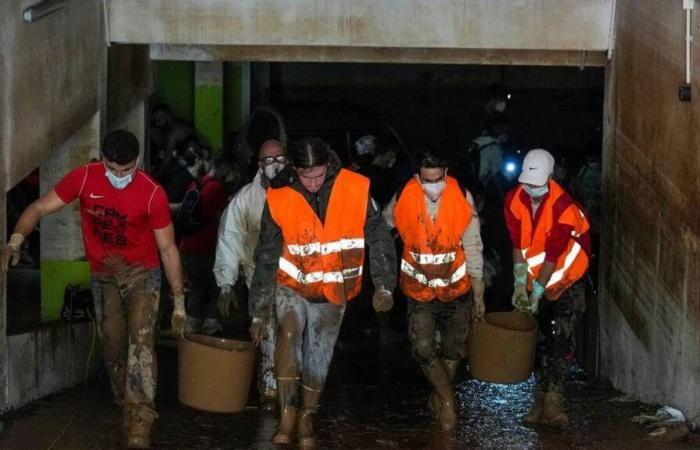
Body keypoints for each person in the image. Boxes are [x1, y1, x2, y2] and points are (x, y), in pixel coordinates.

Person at [1, 130, 185, 448]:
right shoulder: (84, 179)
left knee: (140, 345)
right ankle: (125, 403)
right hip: (104, 276)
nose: (119, 177)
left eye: (126, 171)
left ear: (137, 162)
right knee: (113, 346)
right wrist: (15, 240)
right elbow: (38, 209)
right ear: (103, 159)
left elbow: (168, 249)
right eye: (113, 170)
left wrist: (179, 300)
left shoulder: (151, 193)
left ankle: (140, 421)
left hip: (143, 275)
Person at [249, 137, 397, 447]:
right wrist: (259, 311)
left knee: (319, 355)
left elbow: (379, 236)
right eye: (305, 176)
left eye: (318, 174)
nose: (313, 182)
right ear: (295, 168)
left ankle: (307, 416)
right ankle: (287, 414)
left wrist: (385, 284)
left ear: (328, 164)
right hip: (291, 284)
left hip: (334, 289)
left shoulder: (356, 188)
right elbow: (265, 254)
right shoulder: (278, 195)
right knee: (288, 337)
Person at [383, 152, 485, 431]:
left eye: (438, 179)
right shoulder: (404, 195)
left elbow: (474, 244)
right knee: (423, 348)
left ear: (446, 172)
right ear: (417, 176)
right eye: (427, 181)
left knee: (454, 350)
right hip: (418, 290)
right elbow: (382, 228)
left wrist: (479, 293)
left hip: (456, 288)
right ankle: (448, 401)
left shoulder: (461, 196)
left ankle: (439, 394)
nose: (433, 187)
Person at [504, 148, 591, 428]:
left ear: (551, 178)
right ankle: (539, 401)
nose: (532, 190)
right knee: (539, 339)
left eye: (538, 185)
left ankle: (555, 402)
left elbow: (553, 255)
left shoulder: (564, 207)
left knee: (561, 338)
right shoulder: (514, 199)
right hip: (537, 278)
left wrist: (538, 291)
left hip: (567, 278)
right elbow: (517, 243)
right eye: (528, 184)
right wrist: (519, 284)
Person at [213, 139, 291, 411]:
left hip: (297, 280)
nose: (274, 165)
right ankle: (269, 389)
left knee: (294, 333)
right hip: (258, 277)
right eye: (268, 160)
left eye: (279, 158)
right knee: (266, 331)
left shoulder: (303, 190)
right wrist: (226, 284)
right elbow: (230, 239)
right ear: (259, 164)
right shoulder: (246, 199)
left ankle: (292, 388)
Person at [179, 153, 233, 335]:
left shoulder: (195, 184)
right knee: (215, 285)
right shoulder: (217, 188)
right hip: (207, 246)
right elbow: (223, 217)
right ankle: (211, 322)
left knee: (195, 287)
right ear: (223, 167)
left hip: (188, 244)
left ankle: (192, 323)